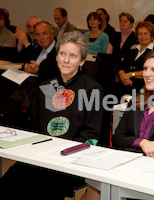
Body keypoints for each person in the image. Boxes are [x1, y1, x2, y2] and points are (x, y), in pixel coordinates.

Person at [0, 30, 104, 200]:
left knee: (42, 187)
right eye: (62, 53)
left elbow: (90, 135)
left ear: (82, 61)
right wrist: (35, 153)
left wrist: (57, 155)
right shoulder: (48, 86)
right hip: (41, 157)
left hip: (70, 161)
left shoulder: (91, 89)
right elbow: (36, 127)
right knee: (9, 180)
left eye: (73, 55)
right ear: (56, 56)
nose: (66, 60)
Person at [81, 48, 154, 200]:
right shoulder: (137, 101)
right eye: (146, 69)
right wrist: (142, 142)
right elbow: (117, 138)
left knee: (102, 186)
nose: (147, 74)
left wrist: (132, 150)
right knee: (94, 183)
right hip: (130, 164)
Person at [118, 21, 154, 97]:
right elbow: (121, 67)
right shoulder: (132, 50)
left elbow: (151, 72)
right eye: (140, 34)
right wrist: (124, 78)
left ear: (152, 36)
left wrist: (130, 75)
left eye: (146, 33)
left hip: (143, 90)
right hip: (125, 87)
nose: (143, 36)